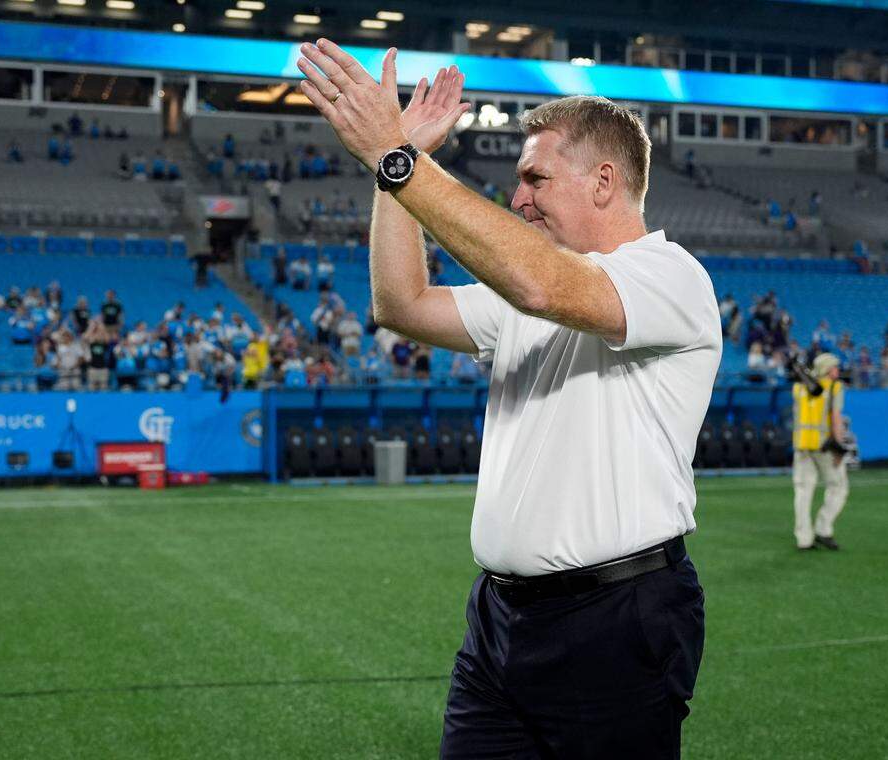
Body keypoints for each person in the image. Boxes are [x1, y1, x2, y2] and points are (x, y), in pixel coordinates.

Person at [297, 46, 717, 756]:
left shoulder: (670, 276)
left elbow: (544, 287)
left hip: (617, 618)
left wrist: (401, 157)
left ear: (604, 181)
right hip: (499, 620)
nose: (518, 196)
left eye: (535, 176)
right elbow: (400, 304)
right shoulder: (531, 286)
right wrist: (389, 175)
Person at [791, 352, 848, 551]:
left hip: (801, 446)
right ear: (827, 368)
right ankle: (823, 529)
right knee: (838, 487)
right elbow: (836, 418)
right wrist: (839, 445)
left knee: (803, 492)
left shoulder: (798, 387)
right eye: (835, 367)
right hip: (825, 447)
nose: (838, 371)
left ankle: (803, 538)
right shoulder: (834, 387)